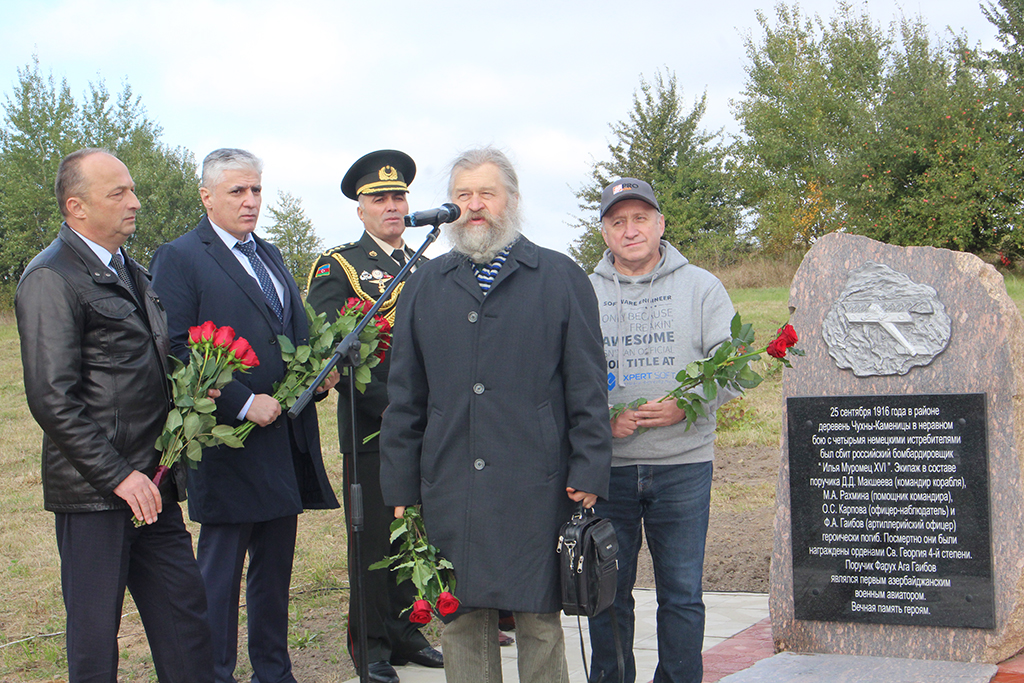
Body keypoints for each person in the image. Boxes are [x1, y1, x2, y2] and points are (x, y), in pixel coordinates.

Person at [380, 147, 612, 683]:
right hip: (449, 480)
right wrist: (399, 488)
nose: (474, 205)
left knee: (538, 619)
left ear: (511, 199)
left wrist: (589, 468)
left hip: (538, 483)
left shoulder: (559, 277)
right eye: (463, 195)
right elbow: (406, 396)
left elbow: (587, 387)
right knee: (459, 619)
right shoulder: (424, 282)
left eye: (486, 193)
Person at [15, 148, 214, 683]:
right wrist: (118, 476)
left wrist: (195, 389)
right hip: (96, 493)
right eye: (118, 193)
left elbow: (147, 364)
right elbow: (52, 398)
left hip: (154, 483)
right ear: (76, 207)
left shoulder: (133, 270)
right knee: (95, 637)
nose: (135, 202)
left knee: (186, 622)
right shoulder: (50, 278)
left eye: (131, 189)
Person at [150, 148, 340, 683]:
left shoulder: (271, 253)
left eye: (256, 189)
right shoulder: (181, 256)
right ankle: (211, 673)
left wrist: (318, 377)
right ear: (207, 196)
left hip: (283, 440)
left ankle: (273, 672)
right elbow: (177, 347)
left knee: (274, 572)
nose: (251, 201)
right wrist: (239, 401)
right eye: (237, 191)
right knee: (220, 573)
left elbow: (293, 331)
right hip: (227, 439)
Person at [586, 178, 740, 683]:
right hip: (607, 472)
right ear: (605, 232)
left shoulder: (702, 287)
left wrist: (688, 405)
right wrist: (601, 423)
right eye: (617, 222)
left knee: (681, 593)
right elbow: (558, 377)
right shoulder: (584, 294)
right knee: (607, 594)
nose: (630, 231)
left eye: (640, 219)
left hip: (683, 466)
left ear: (660, 224)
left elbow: (734, 365)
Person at [306, 149, 442, 683]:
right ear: (360, 209)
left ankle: (408, 631)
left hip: (430, 427)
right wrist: (391, 407)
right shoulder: (338, 265)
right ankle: (372, 647)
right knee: (373, 540)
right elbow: (327, 343)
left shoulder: (429, 266)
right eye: (379, 198)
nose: (391, 205)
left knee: (417, 535)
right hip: (375, 425)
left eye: (398, 196)